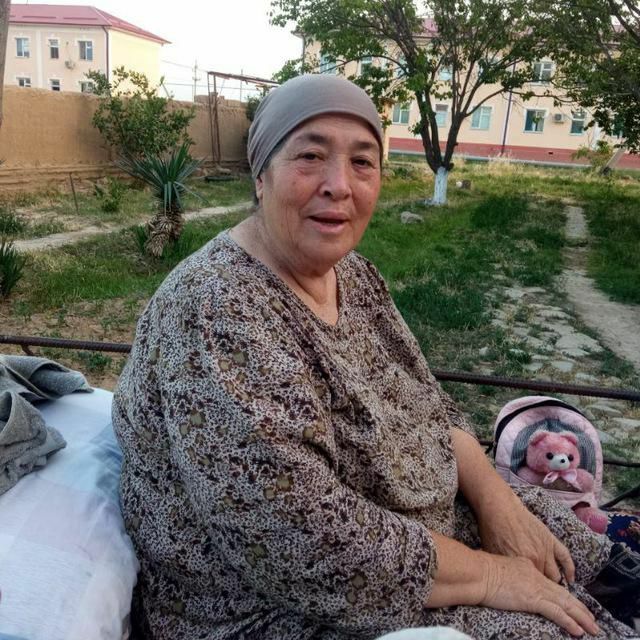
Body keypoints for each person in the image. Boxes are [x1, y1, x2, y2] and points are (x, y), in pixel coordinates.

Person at [112, 74, 637, 640]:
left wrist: (498, 503)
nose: (339, 185)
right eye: (310, 156)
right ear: (260, 175)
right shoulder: (217, 311)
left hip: (417, 531)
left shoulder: (354, 276)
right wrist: (492, 575)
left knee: (574, 552)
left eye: (362, 162)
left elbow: (429, 406)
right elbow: (300, 542)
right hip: (279, 605)